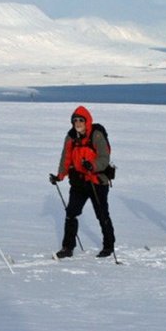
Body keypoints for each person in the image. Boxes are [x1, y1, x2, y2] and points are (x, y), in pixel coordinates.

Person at [48, 106, 116, 259]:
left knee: (102, 214)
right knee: (71, 213)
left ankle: (109, 245)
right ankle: (68, 247)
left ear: (87, 121)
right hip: (79, 182)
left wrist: (92, 165)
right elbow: (66, 158)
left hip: (97, 180)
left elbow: (104, 157)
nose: (77, 123)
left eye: (80, 120)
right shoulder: (71, 137)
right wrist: (59, 176)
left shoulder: (96, 135)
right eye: (75, 120)